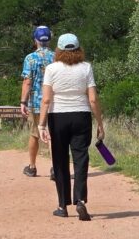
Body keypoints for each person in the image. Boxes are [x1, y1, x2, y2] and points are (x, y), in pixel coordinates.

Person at [39, 33, 105, 221]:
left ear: (58, 50)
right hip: (81, 116)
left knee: (59, 161)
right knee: (81, 158)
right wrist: (99, 123)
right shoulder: (86, 68)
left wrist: (42, 125)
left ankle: (62, 205)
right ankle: (80, 201)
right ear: (78, 49)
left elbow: (46, 99)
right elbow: (92, 99)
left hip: (57, 116)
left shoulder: (51, 69)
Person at [20, 25, 55, 178]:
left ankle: (32, 166)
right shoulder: (56, 57)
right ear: (49, 39)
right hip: (54, 103)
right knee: (53, 135)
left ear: (35, 40)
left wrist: (23, 102)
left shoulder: (30, 58)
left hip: (36, 103)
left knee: (35, 134)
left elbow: (27, 82)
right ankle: (55, 167)